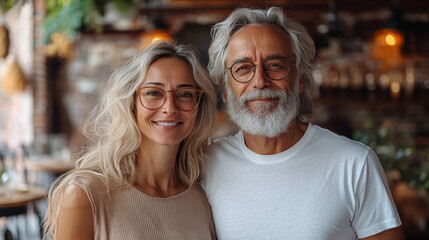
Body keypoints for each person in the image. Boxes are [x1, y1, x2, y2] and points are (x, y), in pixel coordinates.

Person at [202, 7, 403, 240]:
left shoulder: (354, 164)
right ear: (226, 89)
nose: (259, 81)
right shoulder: (206, 165)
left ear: (299, 80)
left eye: (275, 65)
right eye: (243, 68)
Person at [43, 41, 217, 239]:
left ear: (198, 106)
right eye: (153, 93)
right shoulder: (86, 195)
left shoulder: (201, 199)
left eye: (185, 94)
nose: (170, 107)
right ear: (131, 103)